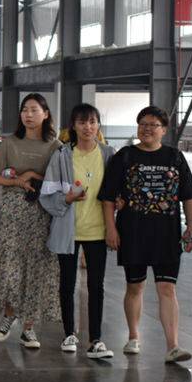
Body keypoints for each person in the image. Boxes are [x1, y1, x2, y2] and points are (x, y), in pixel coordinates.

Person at [99, 105, 192, 364]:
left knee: (167, 288)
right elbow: (108, 197)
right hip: (132, 232)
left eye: (153, 125)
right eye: (143, 124)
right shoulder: (125, 156)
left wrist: (190, 226)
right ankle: (133, 336)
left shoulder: (175, 157)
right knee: (135, 286)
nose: (147, 129)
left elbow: (188, 195)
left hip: (167, 234)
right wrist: (111, 228)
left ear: (164, 130)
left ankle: (173, 346)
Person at [0, 93, 62, 349]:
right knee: (9, 262)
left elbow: (60, 180)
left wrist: (34, 175)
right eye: (25, 109)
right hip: (12, 212)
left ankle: (29, 327)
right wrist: (17, 181)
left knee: (36, 266)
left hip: (42, 211)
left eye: (34, 110)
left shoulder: (55, 146)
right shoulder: (10, 143)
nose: (28, 114)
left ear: (45, 114)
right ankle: (9, 314)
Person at [39, 103, 116, 358]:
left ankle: (96, 339)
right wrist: (67, 199)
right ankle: (69, 334)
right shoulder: (62, 155)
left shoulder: (108, 154)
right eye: (82, 122)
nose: (88, 127)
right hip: (68, 230)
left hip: (98, 230)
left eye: (92, 122)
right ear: (73, 126)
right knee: (67, 284)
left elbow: (118, 189)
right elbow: (47, 195)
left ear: (98, 125)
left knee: (96, 285)